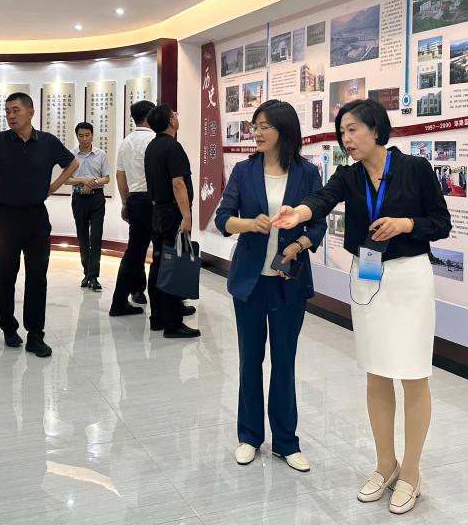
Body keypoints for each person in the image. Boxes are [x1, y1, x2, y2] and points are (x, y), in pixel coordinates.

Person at [270, 99, 451, 515]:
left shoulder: (414, 169)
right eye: (342, 132)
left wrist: (406, 224)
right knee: (377, 372)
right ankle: (385, 464)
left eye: (352, 130)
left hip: (409, 279)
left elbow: (441, 223)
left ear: (376, 129)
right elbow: (321, 199)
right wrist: (297, 213)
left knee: (413, 375)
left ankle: (411, 473)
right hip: (367, 277)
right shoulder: (348, 176)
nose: (346, 139)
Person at [214, 100, 326, 473]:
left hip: (287, 283)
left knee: (284, 361)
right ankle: (249, 436)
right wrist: (250, 224)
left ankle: (286, 442)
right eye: (255, 126)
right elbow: (223, 218)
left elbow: (318, 225)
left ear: (284, 130)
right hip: (249, 282)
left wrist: (297, 246)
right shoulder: (244, 171)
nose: (257, 133)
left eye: (264, 126)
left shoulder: (307, 173)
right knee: (250, 359)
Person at [0, 92, 79, 357]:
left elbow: (72, 163)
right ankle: (9, 328)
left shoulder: (48, 142)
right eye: (7, 111)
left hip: (37, 217)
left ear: (31, 112)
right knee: (5, 276)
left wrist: (54, 187)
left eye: (16, 110)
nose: (11, 116)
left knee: (37, 277)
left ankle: (36, 335)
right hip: (6, 217)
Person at [144, 104, 200, 338]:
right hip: (172, 212)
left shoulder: (152, 146)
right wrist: (186, 216)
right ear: (171, 122)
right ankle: (173, 323)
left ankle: (158, 317)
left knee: (159, 263)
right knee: (174, 265)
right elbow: (178, 184)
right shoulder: (173, 146)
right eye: (174, 114)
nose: (177, 116)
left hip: (157, 211)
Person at [110, 100, 157, 316]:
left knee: (135, 251)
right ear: (150, 116)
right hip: (155, 202)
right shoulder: (156, 140)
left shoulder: (125, 142)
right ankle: (166, 303)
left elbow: (120, 175)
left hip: (135, 200)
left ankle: (121, 299)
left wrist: (125, 202)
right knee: (162, 251)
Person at [68, 122, 111, 292]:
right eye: (81, 135)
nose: (84, 139)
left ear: (92, 135)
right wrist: (83, 181)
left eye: (87, 135)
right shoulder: (71, 155)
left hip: (97, 198)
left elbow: (106, 178)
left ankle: (93, 276)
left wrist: (93, 182)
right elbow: (66, 180)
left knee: (96, 237)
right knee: (82, 237)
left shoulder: (101, 154)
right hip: (79, 199)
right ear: (77, 136)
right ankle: (87, 273)